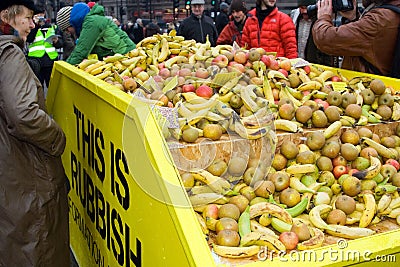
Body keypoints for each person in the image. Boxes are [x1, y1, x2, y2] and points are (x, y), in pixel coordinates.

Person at [0, 0, 70, 266]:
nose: (32, 24)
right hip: (25, 173)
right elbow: (24, 115)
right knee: (39, 249)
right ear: (7, 16)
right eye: (28, 18)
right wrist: (57, 138)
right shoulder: (9, 52)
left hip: (9, 173)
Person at [312, 0, 400, 76]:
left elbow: (325, 39)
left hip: (369, 87)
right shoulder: (392, 13)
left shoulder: (380, 18)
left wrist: (324, 16)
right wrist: (353, 19)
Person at [65, 2, 135, 65]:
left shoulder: (92, 23)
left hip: (127, 55)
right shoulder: (91, 22)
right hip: (122, 56)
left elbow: (81, 52)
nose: (67, 32)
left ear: (71, 23)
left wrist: (65, 68)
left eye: (66, 29)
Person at [290, 0, 335, 66]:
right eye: (302, 8)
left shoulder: (323, 24)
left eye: (308, 8)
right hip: (296, 66)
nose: (305, 11)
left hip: (316, 67)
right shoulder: (293, 20)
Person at [27, 13, 63, 88]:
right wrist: (36, 25)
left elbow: (60, 44)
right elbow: (29, 39)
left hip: (50, 60)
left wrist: (56, 41)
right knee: (37, 86)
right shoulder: (31, 28)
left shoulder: (53, 27)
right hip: (36, 61)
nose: (40, 17)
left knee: (52, 86)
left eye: (42, 14)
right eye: (38, 15)